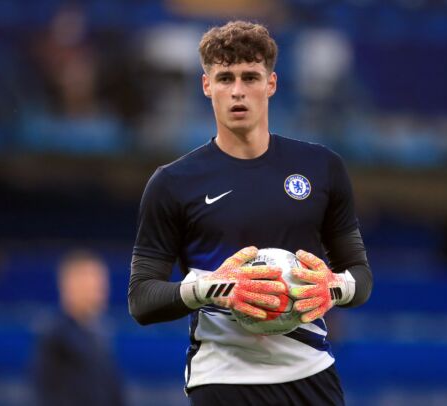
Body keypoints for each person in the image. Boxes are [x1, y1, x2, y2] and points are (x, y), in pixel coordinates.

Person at [128, 20, 373, 405]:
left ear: (271, 83)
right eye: (225, 78)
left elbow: (360, 275)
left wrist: (332, 287)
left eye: (250, 77)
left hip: (311, 376)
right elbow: (142, 299)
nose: (238, 91)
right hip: (223, 379)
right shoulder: (172, 183)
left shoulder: (322, 167)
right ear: (206, 85)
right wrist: (216, 288)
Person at [33, 250, 125, 406]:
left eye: (102, 283)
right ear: (69, 286)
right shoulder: (56, 338)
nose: (101, 290)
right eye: (92, 283)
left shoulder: (99, 335)